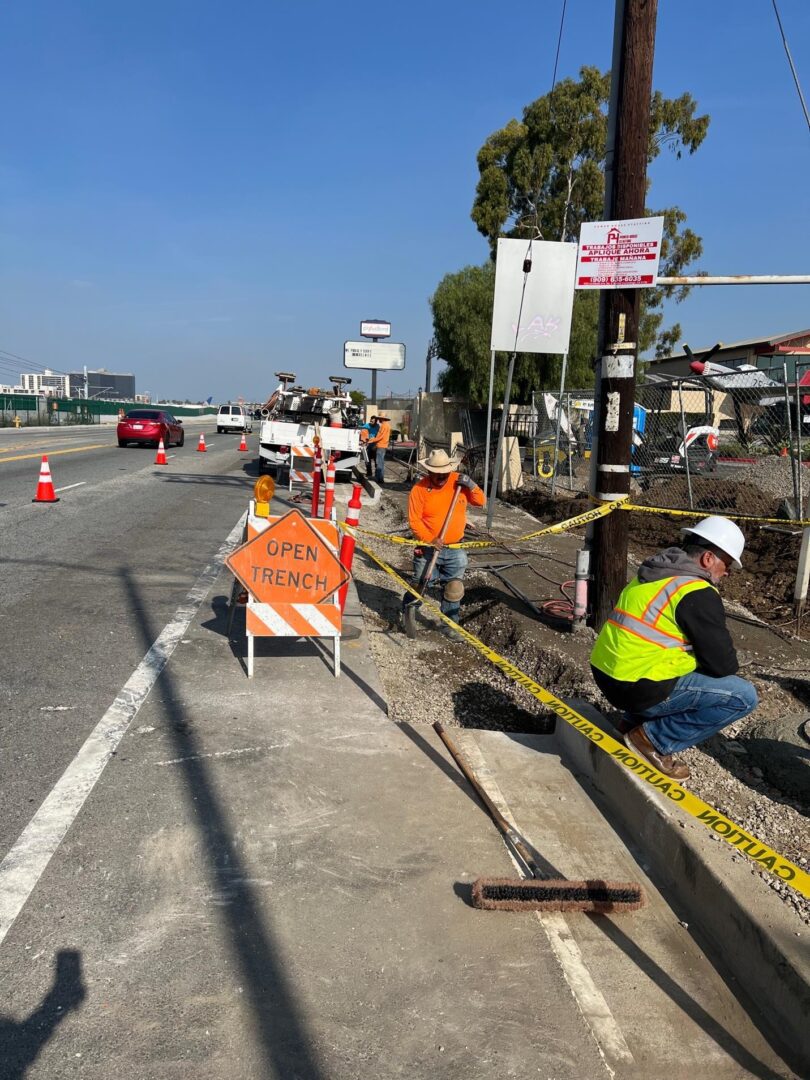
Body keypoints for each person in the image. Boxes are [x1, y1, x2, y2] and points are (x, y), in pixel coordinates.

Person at [590, 516, 758, 780]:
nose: (727, 573)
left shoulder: (653, 573)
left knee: (667, 660)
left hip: (606, 673)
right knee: (743, 696)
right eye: (727, 565)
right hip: (636, 688)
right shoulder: (696, 591)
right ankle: (652, 740)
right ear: (707, 559)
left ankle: (631, 724)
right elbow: (723, 665)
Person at [402, 449, 485, 636]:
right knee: (420, 585)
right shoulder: (419, 490)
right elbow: (414, 521)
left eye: (444, 474)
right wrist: (429, 540)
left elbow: (480, 502)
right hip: (428, 548)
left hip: (455, 547)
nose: (441, 477)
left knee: (454, 588)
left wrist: (471, 485)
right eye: (436, 474)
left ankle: (449, 626)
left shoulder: (459, 483)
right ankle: (408, 611)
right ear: (429, 471)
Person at [367, 415, 391, 484]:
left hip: (381, 446)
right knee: (381, 462)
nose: (378, 420)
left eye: (379, 418)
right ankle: (380, 478)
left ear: (382, 419)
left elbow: (380, 436)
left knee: (379, 463)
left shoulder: (384, 426)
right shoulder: (386, 425)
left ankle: (378, 478)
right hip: (383, 445)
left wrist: (372, 440)